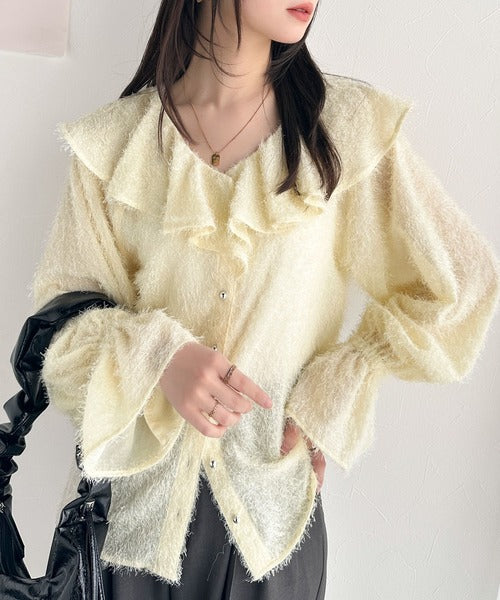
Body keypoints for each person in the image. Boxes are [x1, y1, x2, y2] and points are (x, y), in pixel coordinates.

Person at [30, 0, 499, 598]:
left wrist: (332, 394)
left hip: (272, 534)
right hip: (128, 538)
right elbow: (60, 336)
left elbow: (461, 285)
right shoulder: (115, 145)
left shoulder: (343, 132)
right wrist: (158, 359)